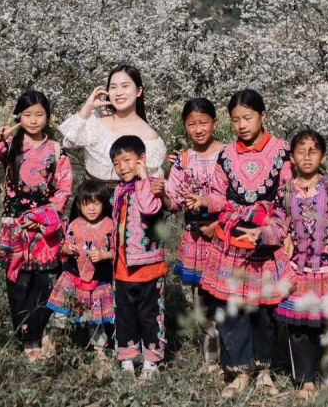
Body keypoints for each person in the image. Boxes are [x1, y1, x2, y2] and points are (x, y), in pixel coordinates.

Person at [0, 90, 72, 361]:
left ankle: (46, 336)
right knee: (19, 286)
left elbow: (64, 189)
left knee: (46, 283)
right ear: (18, 117)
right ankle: (28, 342)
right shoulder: (9, 146)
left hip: (44, 231)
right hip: (15, 230)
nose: (33, 120)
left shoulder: (56, 150)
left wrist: (43, 217)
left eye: (39, 114)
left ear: (48, 117)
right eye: (27, 114)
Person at [199, 89, 292, 398]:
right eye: (235, 119)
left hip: (267, 239)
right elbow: (219, 194)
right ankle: (239, 372)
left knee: (264, 310)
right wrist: (204, 201)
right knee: (231, 306)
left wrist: (282, 232)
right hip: (233, 240)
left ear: (263, 116)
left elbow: (288, 197)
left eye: (247, 118)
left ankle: (264, 370)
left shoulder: (282, 151)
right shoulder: (226, 155)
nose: (241, 125)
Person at [271, 129, 328, 402]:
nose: (307, 157)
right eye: (301, 152)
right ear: (292, 158)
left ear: (323, 157)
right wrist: (268, 235)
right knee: (299, 329)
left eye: (313, 151)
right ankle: (305, 380)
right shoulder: (285, 193)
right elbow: (277, 225)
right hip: (298, 272)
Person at [162, 97, 224, 372]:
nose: (198, 129)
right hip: (196, 239)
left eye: (203, 123)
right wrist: (161, 195)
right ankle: (212, 359)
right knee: (201, 302)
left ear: (215, 123)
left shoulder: (228, 156)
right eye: (191, 124)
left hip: (224, 237)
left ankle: (233, 358)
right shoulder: (183, 161)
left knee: (226, 299)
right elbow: (174, 201)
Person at [59, 65, 167, 210]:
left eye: (125, 86)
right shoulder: (95, 120)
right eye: (113, 87)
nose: (119, 92)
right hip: (88, 202)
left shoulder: (149, 137)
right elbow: (68, 141)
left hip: (125, 207)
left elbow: (153, 182)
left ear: (139, 91)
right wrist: (88, 107)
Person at [109, 134, 168, 381]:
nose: (122, 167)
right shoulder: (119, 190)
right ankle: (128, 359)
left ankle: (151, 363)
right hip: (122, 270)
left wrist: (144, 178)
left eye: (127, 160)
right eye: (117, 163)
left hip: (149, 269)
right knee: (125, 317)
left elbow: (149, 208)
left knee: (150, 316)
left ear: (141, 159)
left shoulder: (153, 186)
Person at [46, 178, 116, 354]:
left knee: (95, 319)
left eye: (96, 203)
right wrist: (67, 249)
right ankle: (50, 345)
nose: (91, 208)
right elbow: (64, 245)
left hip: (97, 280)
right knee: (61, 314)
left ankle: (100, 352)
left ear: (103, 204)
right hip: (73, 277)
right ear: (79, 205)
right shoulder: (74, 225)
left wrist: (104, 255)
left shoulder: (110, 226)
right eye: (86, 204)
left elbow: (117, 251)